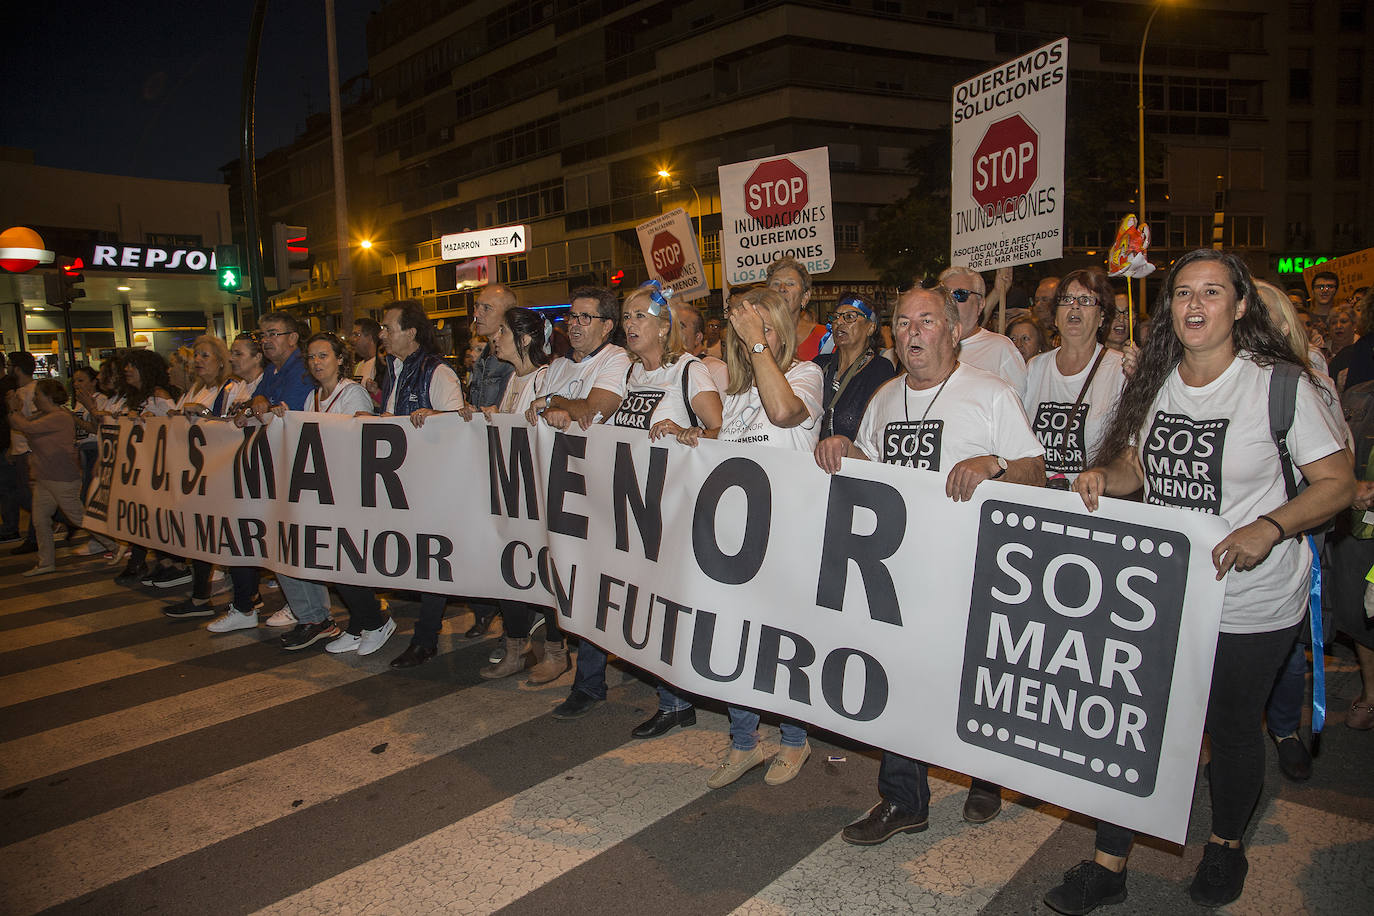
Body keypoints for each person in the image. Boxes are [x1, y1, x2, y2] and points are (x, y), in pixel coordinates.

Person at [1043, 249, 1354, 913]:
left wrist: (1268, 528)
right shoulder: (1158, 380)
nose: (1193, 306)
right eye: (1183, 293)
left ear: (1241, 307)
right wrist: (1109, 478)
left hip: (1254, 599)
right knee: (1132, 725)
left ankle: (1225, 844)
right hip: (1165, 595)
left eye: (1211, 293)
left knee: (1233, 726)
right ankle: (1109, 861)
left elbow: (1337, 486)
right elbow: (1137, 464)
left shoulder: (1278, 386)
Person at [814, 284, 1045, 844]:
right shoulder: (887, 397)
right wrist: (846, 449)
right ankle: (903, 798)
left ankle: (987, 777)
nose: (913, 332)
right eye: (904, 322)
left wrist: (993, 462)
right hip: (900, 569)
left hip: (972, 572)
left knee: (972, 679)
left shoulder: (989, 394)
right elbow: (873, 464)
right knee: (902, 680)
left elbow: (1035, 474)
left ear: (955, 331)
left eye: (927, 321)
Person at [675, 286, 824, 787]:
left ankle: (794, 740)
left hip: (786, 544)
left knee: (782, 647)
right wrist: (699, 437)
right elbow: (736, 448)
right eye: (740, 331)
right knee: (734, 643)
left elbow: (783, 415)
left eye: (756, 328)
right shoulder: (737, 396)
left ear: (775, 329)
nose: (744, 339)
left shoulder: (807, 376)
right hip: (738, 543)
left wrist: (757, 343)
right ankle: (744, 742)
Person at [563, 281, 725, 738]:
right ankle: (670, 698)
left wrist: (685, 433)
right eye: (628, 316)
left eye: (639, 316)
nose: (630, 325)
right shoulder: (631, 376)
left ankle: (675, 703)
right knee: (639, 604)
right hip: (630, 509)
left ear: (663, 325)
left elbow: (722, 433)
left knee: (664, 605)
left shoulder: (689, 370)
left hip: (671, 511)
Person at [522, 286, 630, 715]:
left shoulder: (616, 360)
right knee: (564, 580)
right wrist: (554, 404)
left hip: (596, 490)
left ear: (608, 325)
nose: (576, 324)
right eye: (573, 316)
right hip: (557, 489)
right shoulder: (559, 365)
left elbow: (597, 407)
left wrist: (554, 402)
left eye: (587, 317)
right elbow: (537, 411)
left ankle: (589, 681)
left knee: (591, 585)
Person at [258, 332, 392, 652]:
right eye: (312, 357)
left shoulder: (352, 393)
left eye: (324, 356)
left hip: (348, 491)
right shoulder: (313, 397)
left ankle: (375, 621)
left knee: (343, 561)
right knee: (335, 562)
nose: (317, 363)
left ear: (340, 359)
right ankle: (360, 623)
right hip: (325, 490)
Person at [459, 307, 569, 683]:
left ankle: (556, 651)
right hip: (512, 496)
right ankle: (515, 646)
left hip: (537, 498)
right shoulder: (513, 381)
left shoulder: (546, 380)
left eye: (503, 331)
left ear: (524, 339)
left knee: (544, 573)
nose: (495, 337)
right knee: (508, 571)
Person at [206, 312, 315, 634]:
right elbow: (260, 401)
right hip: (270, 467)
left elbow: (285, 412)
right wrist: (259, 401)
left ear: (292, 338)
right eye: (263, 334)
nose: (266, 340)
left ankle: (306, 608)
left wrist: (263, 404)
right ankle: (264, 603)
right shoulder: (274, 370)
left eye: (273, 334)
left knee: (291, 539)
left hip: (292, 469)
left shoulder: (300, 370)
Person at [375, 300, 468, 667]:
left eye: (388, 328)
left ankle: (426, 637)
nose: (382, 334)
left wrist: (435, 419)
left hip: (433, 485)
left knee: (431, 560)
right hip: (405, 482)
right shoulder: (393, 369)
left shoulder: (438, 373)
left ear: (411, 332)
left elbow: (455, 425)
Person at [1022, 269, 1127, 487]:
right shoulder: (1035, 367)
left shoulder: (1120, 369)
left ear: (1102, 317)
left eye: (1086, 300)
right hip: (1038, 497)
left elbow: (1130, 453)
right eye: (1066, 299)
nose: (1075, 306)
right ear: (1056, 316)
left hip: (1090, 504)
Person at [6, 379, 116, 576]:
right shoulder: (45, 415)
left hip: (62, 478)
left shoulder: (60, 416)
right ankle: (46, 562)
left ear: (48, 397)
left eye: (37, 395)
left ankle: (115, 546)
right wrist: (16, 411)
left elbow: (25, 426)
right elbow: (23, 424)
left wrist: (14, 410)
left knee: (79, 518)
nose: (35, 399)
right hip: (44, 477)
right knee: (40, 520)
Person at [461, 282, 518, 639]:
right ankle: (488, 609)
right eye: (477, 307)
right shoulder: (483, 356)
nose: (476, 314)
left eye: (485, 308)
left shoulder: (512, 359)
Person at [111, 350, 177, 584]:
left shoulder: (159, 396)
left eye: (133, 366)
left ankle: (161, 562)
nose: (127, 370)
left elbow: (174, 426)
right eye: (126, 365)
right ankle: (149, 561)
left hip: (158, 470)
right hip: (139, 468)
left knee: (152, 517)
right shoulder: (133, 397)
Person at [812, 292, 897, 441]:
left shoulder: (880, 369)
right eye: (835, 317)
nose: (839, 322)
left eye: (849, 317)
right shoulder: (819, 364)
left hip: (855, 460)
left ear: (870, 328)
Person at [939, 265, 1027, 395]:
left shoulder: (1001, 349)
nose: (950, 302)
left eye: (960, 294)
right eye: (944, 295)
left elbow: (1016, 407)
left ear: (980, 304)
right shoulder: (927, 346)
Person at [767, 256, 826, 361]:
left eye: (790, 284)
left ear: (805, 297)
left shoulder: (825, 338)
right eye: (776, 283)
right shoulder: (757, 334)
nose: (782, 289)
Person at [674, 303, 728, 392]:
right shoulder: (661, 370)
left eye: (680, 326)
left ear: (697, 337)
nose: (672, 332)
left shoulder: (716, 370)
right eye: (671, 326)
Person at [350, 316, 385, 406]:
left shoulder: (382, 365)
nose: (352, 339)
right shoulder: (359, 365)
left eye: (356, 335)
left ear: (370, 337)